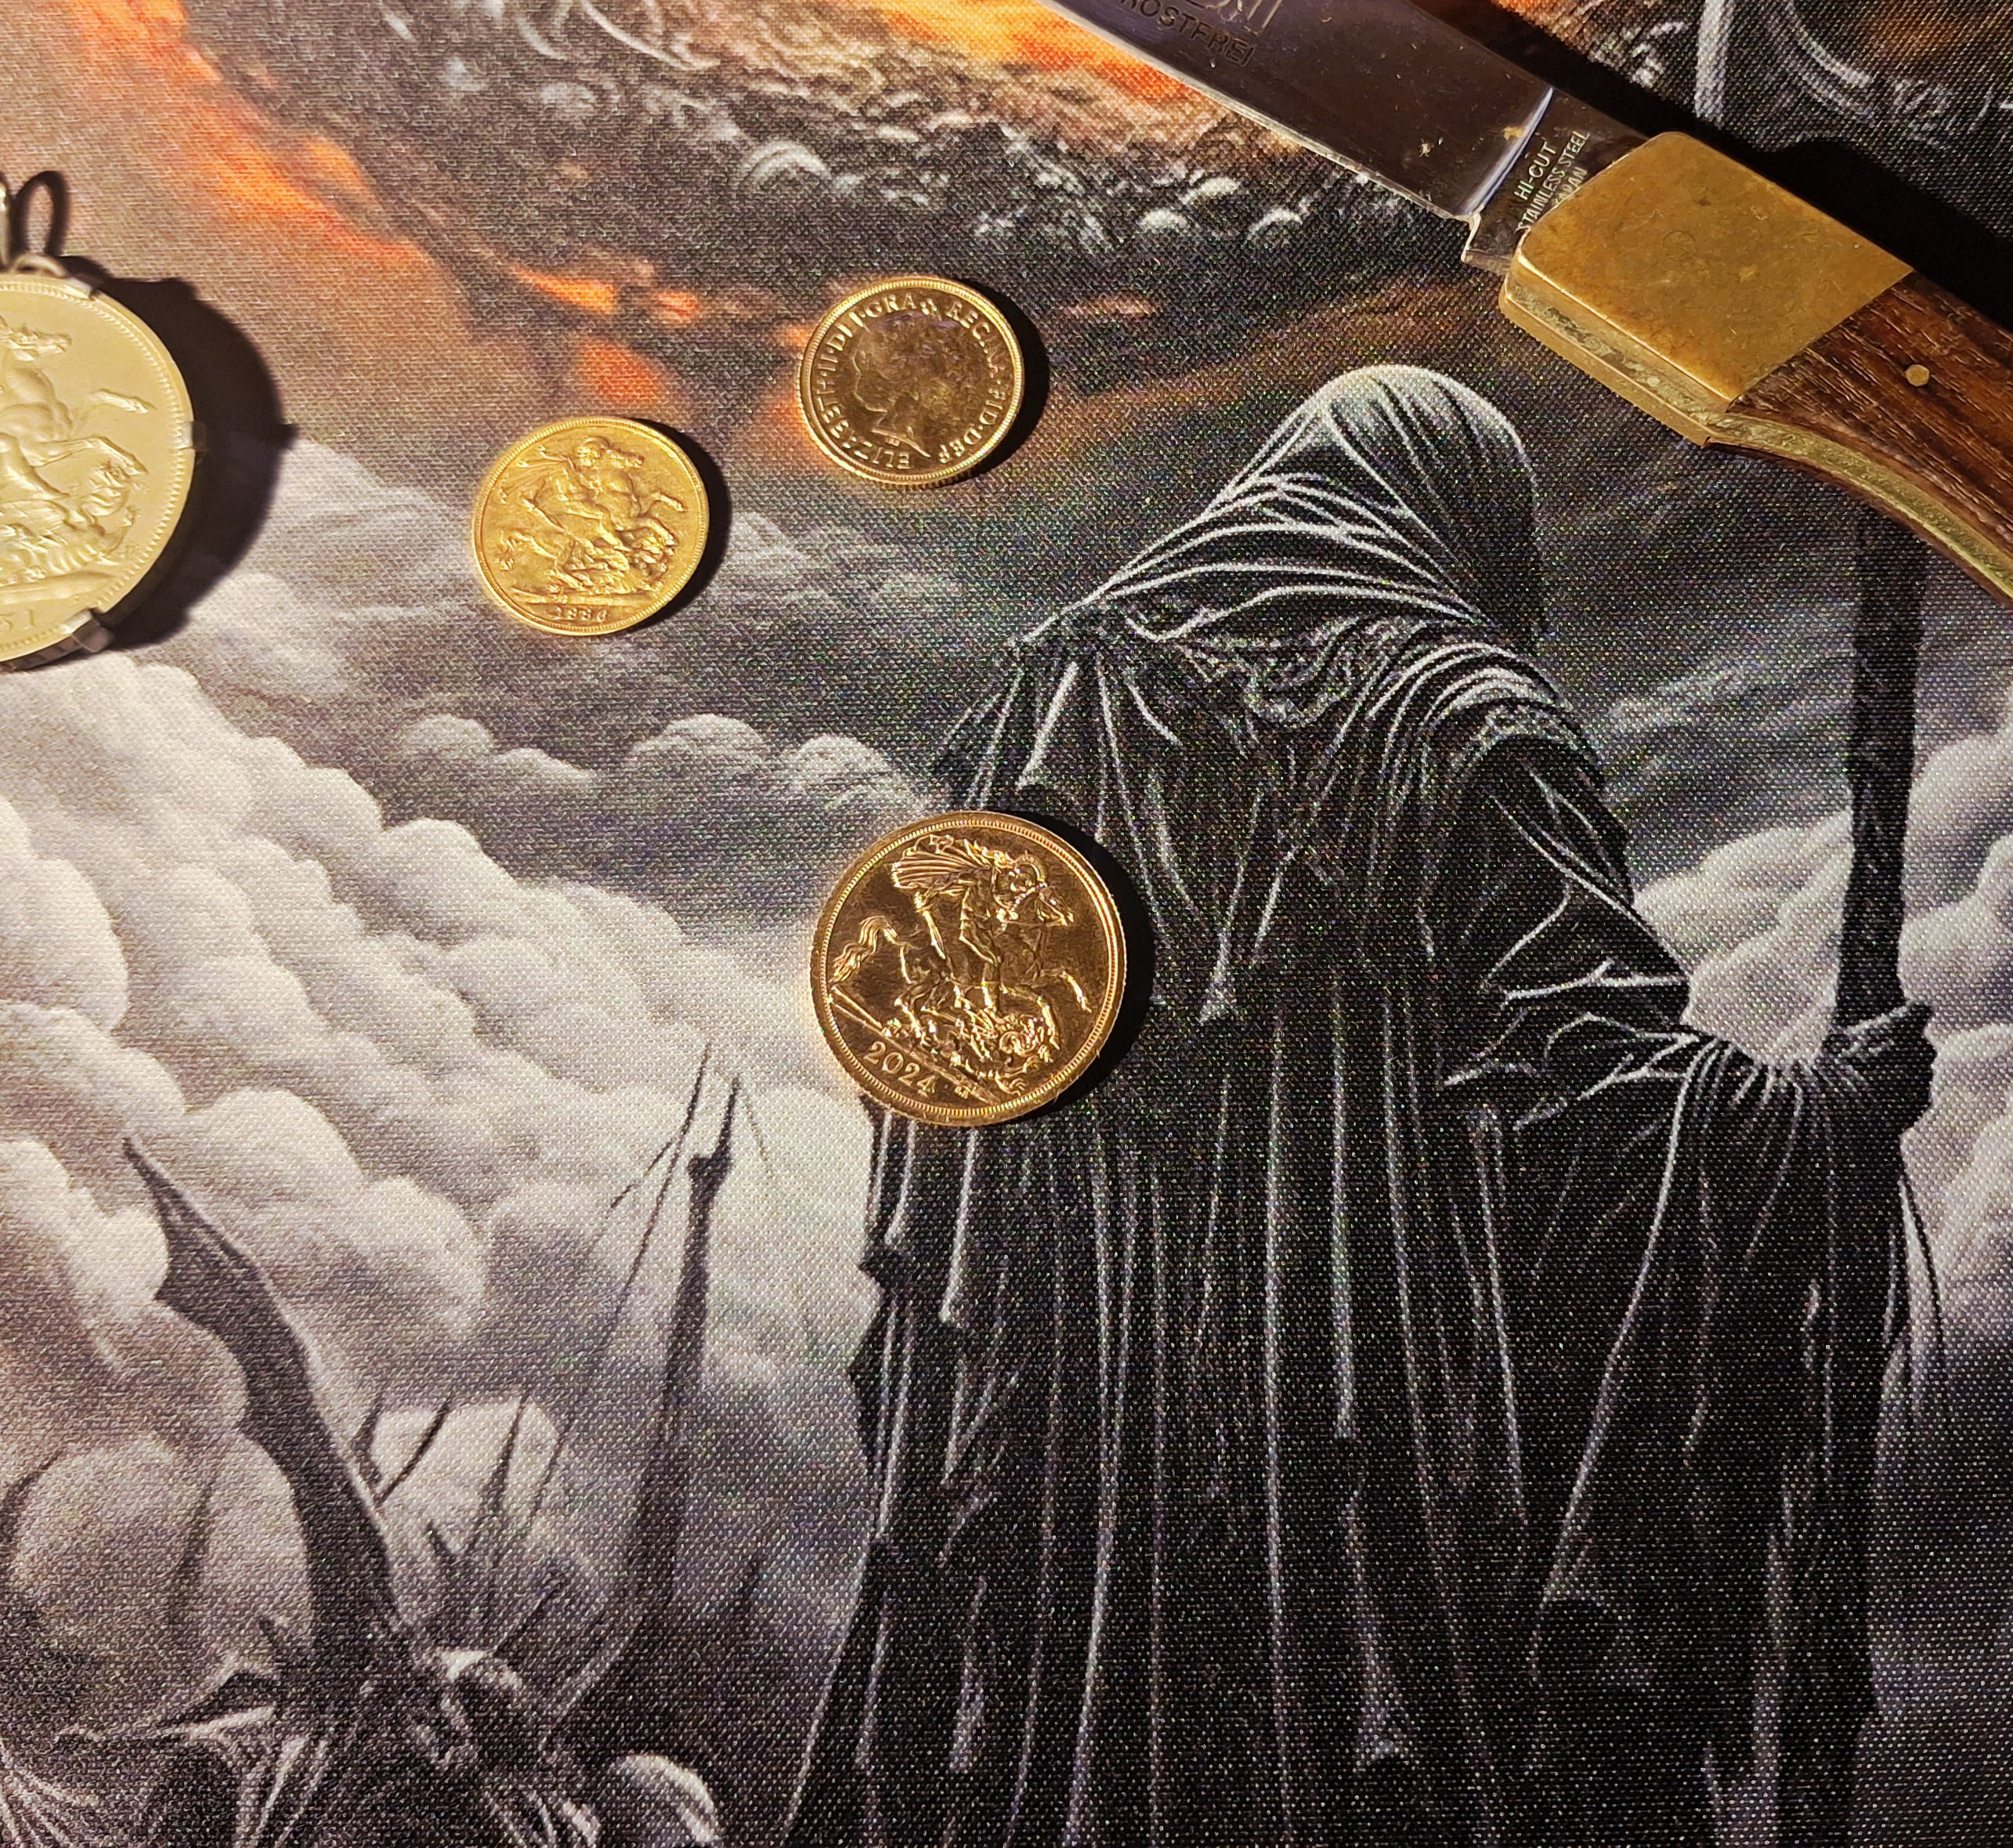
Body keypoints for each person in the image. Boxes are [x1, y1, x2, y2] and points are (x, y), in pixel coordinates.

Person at [786, 367, 1931, 1848]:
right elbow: (1589, 1095)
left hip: (1090, 1415)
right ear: (1465, 521)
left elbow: (941, 1046)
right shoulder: (1463, 715)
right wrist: (1813, 1118)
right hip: (1364, 1400)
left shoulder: (1048, 704)